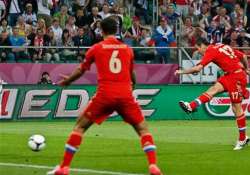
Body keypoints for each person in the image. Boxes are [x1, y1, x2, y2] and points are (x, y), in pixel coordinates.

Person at [47, 17, 163, 175]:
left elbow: (82, 70)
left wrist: (68, 81)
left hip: (105, 94)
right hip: (124, 95)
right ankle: (153, 165)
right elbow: (131, 73)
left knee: (80, 127)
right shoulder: (127, 49)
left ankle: (64, 167)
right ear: (116, 31)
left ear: (101, 30)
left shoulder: (96, 48)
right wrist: (132, 86)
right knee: (143, 129)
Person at [175, 38, 250, 151]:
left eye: (198, 48)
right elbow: (243, 56)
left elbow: (198, 69)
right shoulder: (221, 45)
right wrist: (247, 68)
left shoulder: (211, 51)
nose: (198, 51)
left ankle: (242, 139)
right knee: (213, 89)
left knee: (236, 107)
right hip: (229, 75)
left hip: (236, 77)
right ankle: (191, 106)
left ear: (203, 46)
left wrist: (181, 71)